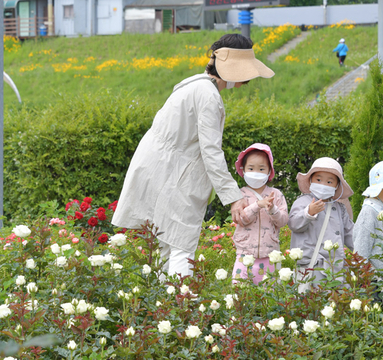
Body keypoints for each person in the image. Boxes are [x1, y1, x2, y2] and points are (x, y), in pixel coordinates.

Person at [112, 34, 275, 278]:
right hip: (174, 175)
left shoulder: (195, 84)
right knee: (181, 244)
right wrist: (232, 197)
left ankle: (164, 306)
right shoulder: (207, 95)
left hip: (162, 168)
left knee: (165, 244)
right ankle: (181, 306)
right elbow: (211, 151)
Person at [288, 157, 354, 290]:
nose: (323, 184)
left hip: (336, 266)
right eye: (319, 180)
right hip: (312, 265)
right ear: (311, 180)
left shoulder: (339, 208)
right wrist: (308, 213)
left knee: (336, 302)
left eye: (329, 181)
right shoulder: (303, 201)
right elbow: (293, 224)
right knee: (314, 302)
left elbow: (350, 233)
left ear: (336, 186)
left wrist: (361, 251)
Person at [231, 143, 289, 284]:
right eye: (251, 168)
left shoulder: (276, 194)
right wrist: (257, 205)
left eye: (261, 169)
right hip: (244, 254)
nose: (256, 172)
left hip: (270, 255)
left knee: (269, 294)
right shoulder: (239, 195)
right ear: (243, 170)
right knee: (240, 292)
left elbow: (282, 221)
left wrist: (272, 210)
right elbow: (241, 220)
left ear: (269, 171)